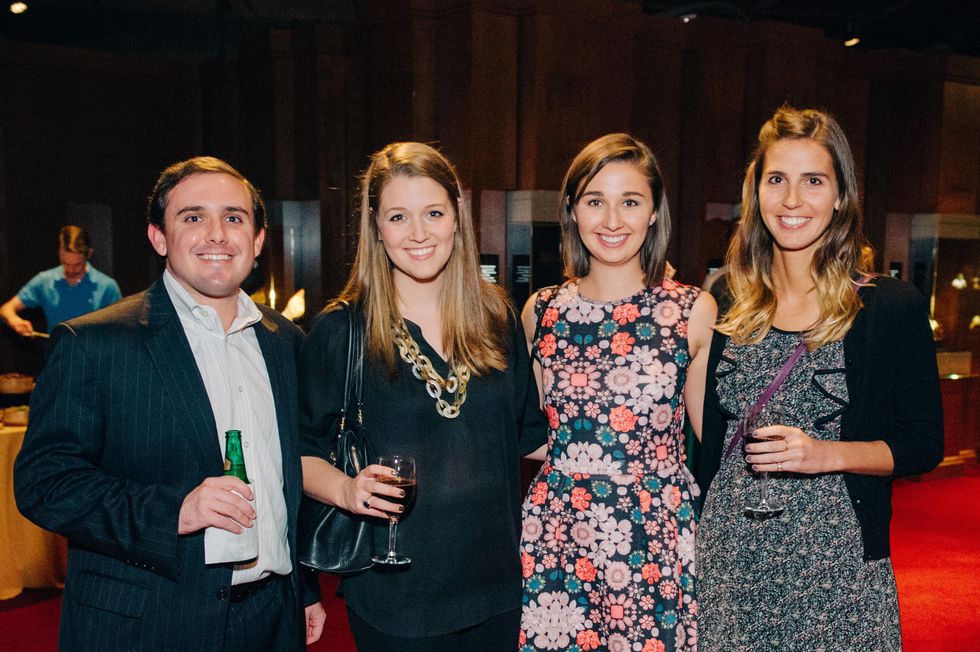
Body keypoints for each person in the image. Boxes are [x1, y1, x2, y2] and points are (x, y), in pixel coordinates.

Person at [14, 156, 325, 651]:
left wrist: (303, 589)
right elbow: (44, 483)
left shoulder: (285, 341)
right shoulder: (95, 343)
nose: (217, 234)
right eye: (193, 217)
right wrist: (174, 511)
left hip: (271, 617)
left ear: (258, 240)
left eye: (234, 217)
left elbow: (286, 476)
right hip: (148, 622)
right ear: (159, 237)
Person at [695, 107, 944, 650]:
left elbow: (924, 443)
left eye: (813, 181)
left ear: (840, 196)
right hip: (730, 560)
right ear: (755, 194)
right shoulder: (727, 302)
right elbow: (707, 441)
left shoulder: (888, 307)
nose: (792, 200)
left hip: (838, 565)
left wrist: (826, 454)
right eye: (776, 180)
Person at [299, 142, 546, 651]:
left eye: (433, 213)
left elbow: (532, 435)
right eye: (398, 217)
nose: (418, 233)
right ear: (376, 226)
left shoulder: (497, 319)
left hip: (497, 586)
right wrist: (346, 489)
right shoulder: (343, 330)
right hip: (397, 593)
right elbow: (297, 453)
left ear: (457, 218)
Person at [518, 133, 716, 652]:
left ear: (653, 213)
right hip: (560, 528)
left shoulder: (691, 311)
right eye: (594, 201)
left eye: (630, 201)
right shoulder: (542, 310)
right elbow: (533, 433)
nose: (612, 220)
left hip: (654, 530)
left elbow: (713, 440)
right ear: (572, 210)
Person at [1, 225, 121, 335]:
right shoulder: (45, 281)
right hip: (57, 351)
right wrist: (14, 320)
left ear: (89, 254)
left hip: (94, 352)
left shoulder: (107, 287)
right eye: (66, 263)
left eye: (77, 264)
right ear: (59, 253)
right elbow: (6, 309)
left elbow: (121, 329)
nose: (71, 270)